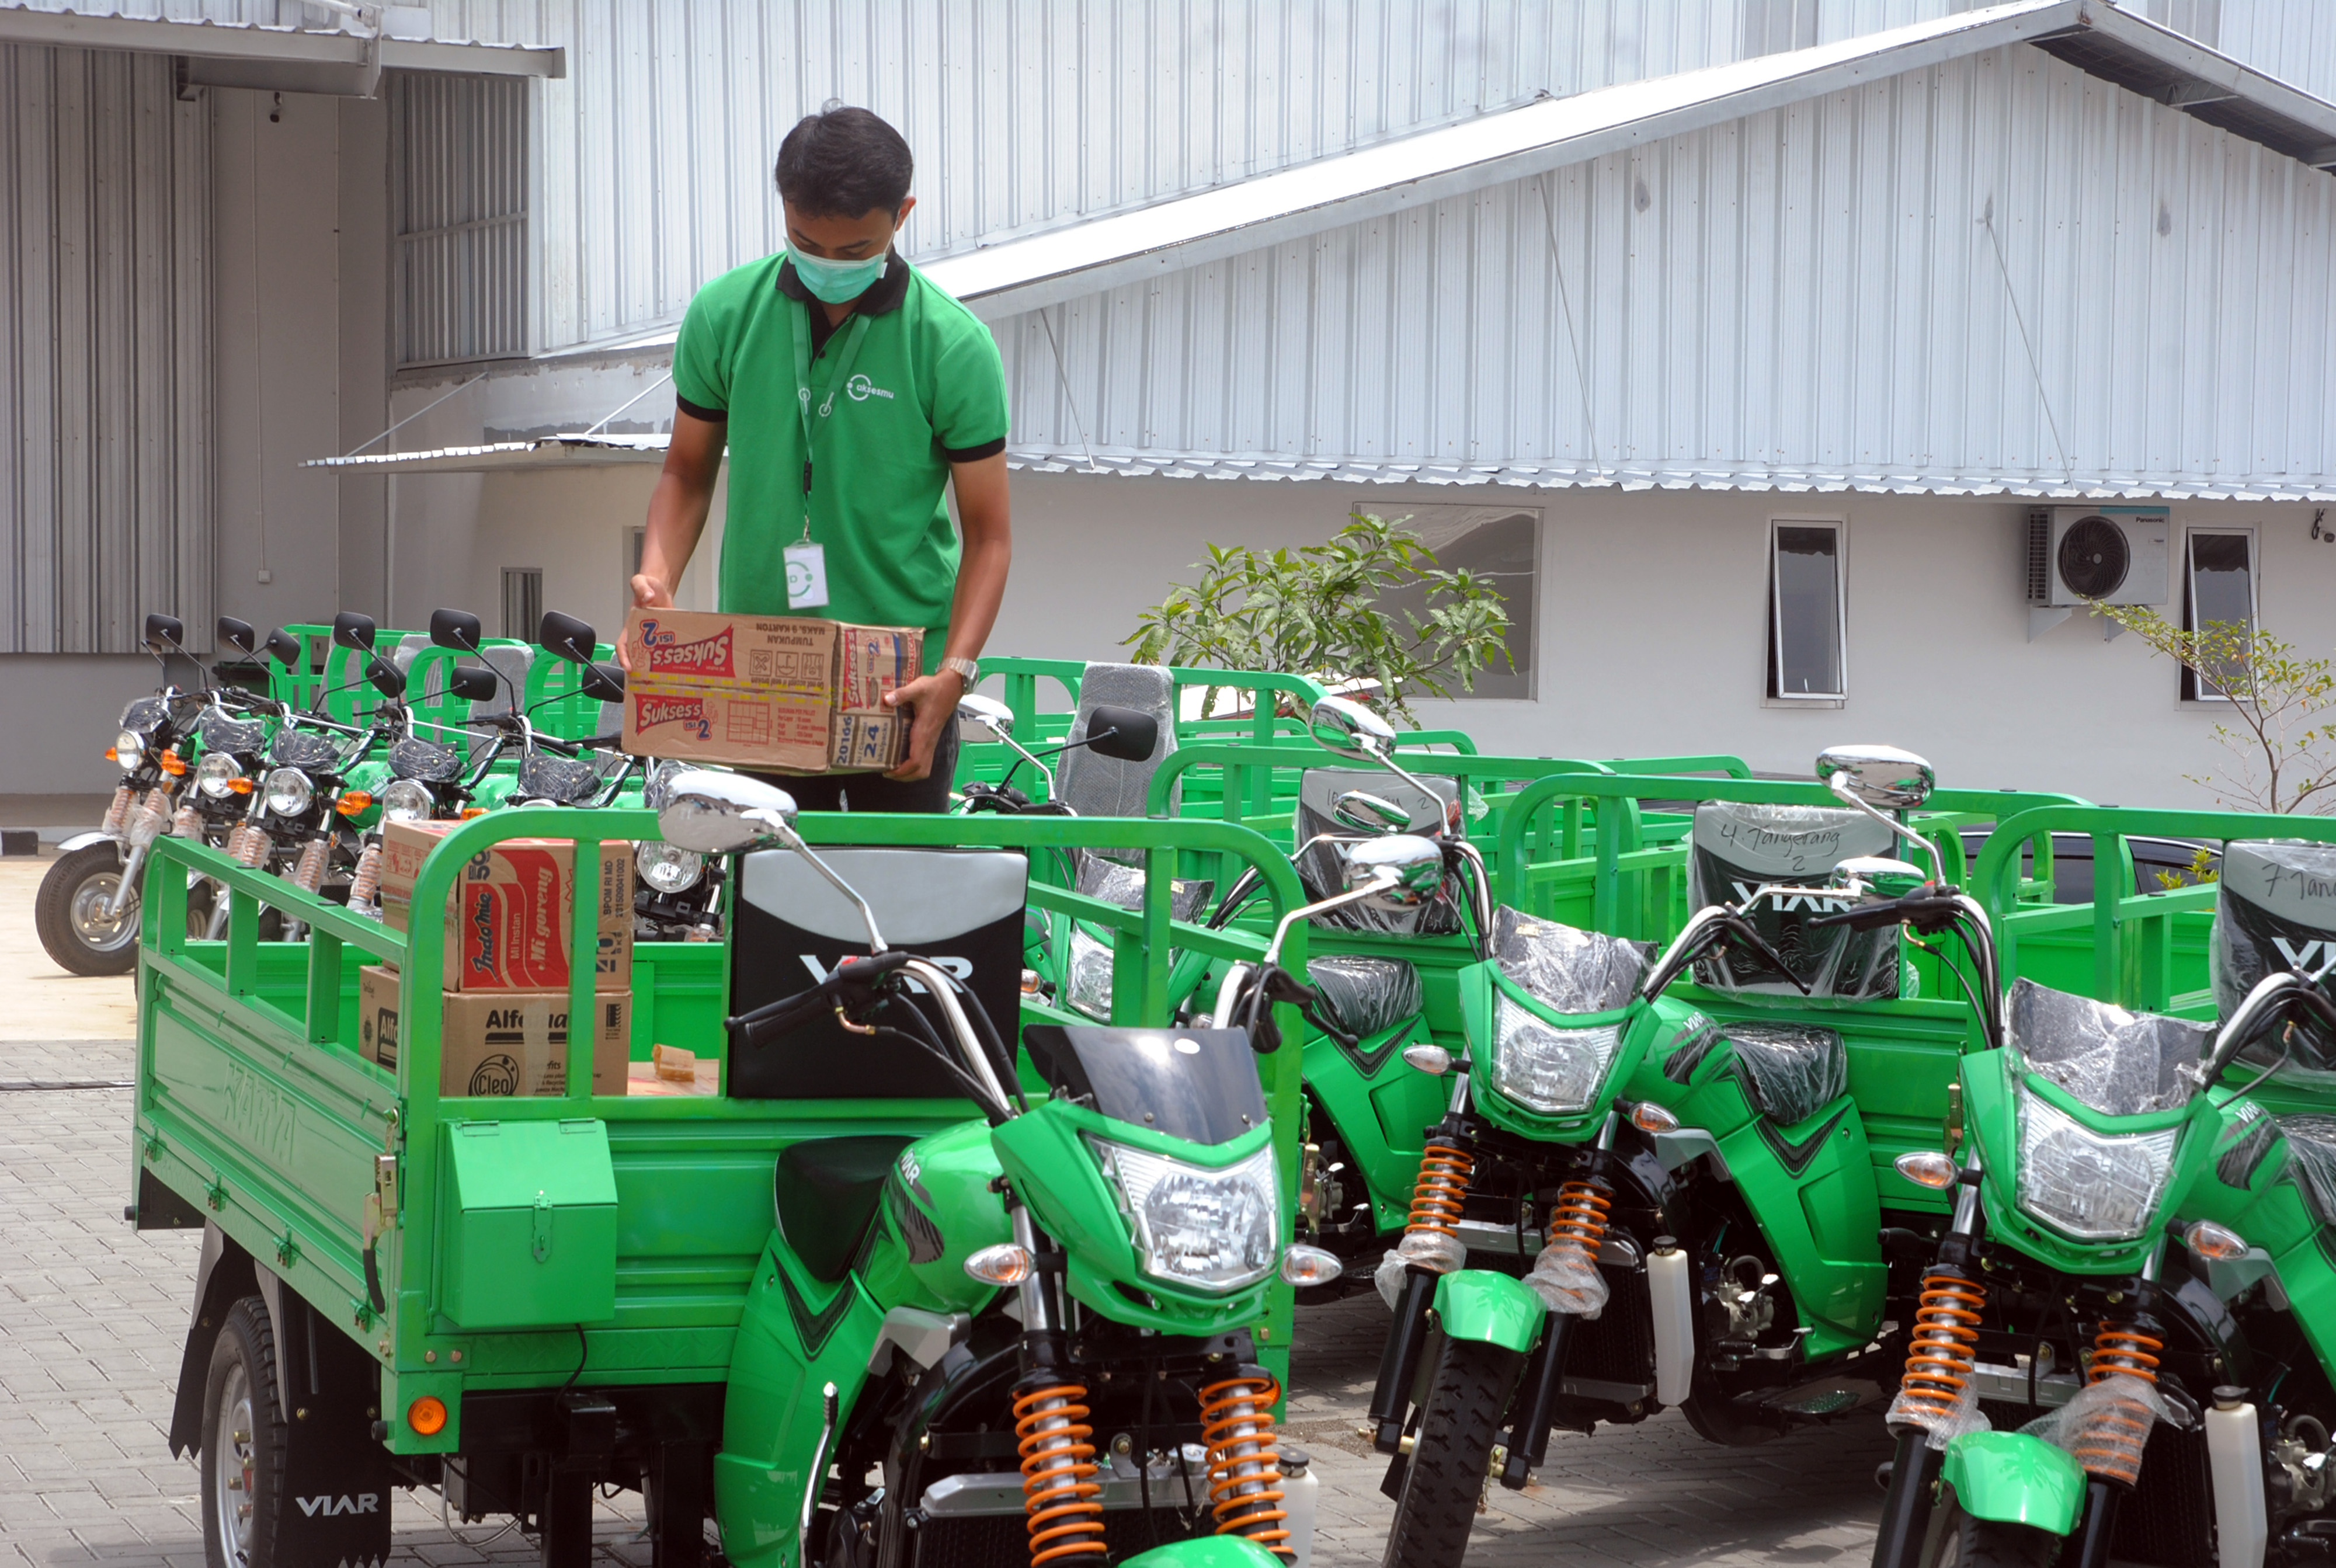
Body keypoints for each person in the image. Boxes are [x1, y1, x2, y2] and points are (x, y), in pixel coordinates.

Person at [628, 104, 1010, 812]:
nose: (829, 265)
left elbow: (989, 533)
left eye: (855, 250)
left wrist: (954, 673)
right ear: (783, 210)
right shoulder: (724, 314)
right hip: (756, 674)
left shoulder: (953, 346)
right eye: (807, 242)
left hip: (900, 689)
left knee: (893, 911)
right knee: (764, 909)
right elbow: (685, 471)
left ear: (904, 215)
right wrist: (656, 581)